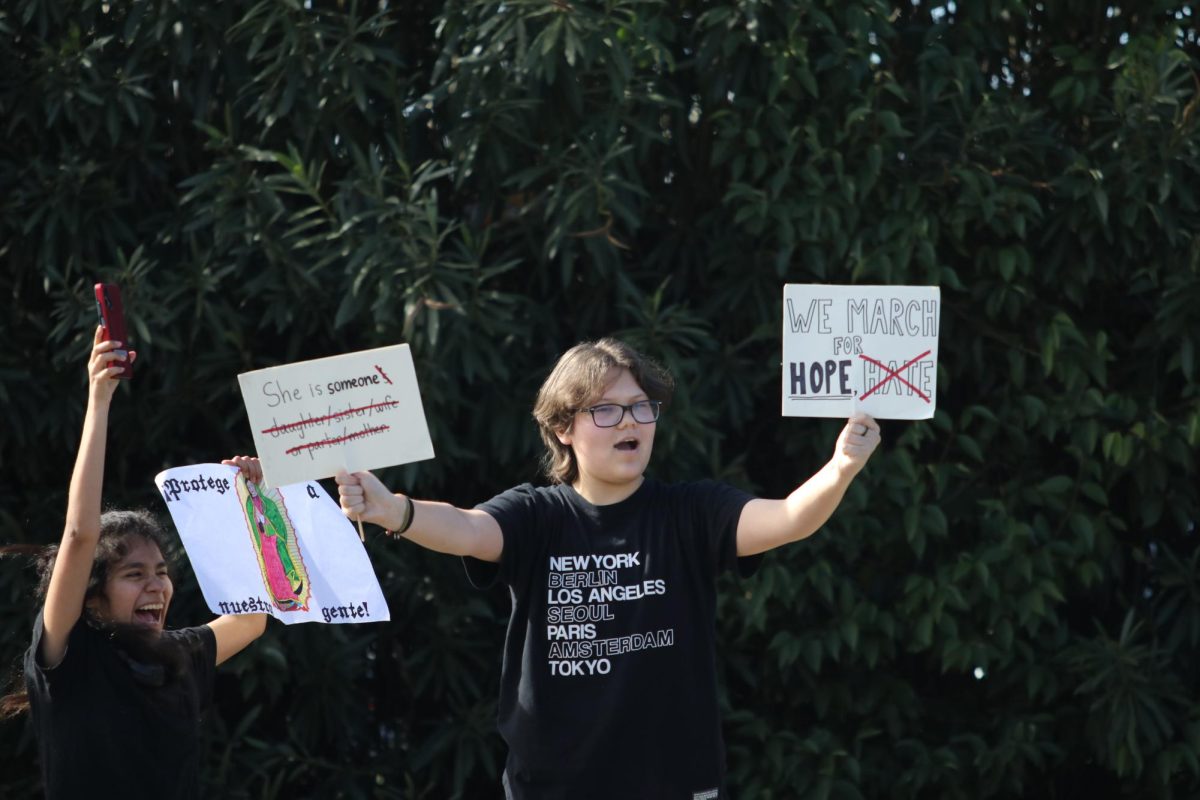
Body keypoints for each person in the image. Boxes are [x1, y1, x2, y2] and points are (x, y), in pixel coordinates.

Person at [336, 338, 882, 800]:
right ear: (562, 429)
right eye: (606, 409)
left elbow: (789, 518)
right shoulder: (535, 514)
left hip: (675, 782)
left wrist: (842, 468)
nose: (630, 421)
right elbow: (468, 528)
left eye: (641, 406)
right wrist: (394, 511)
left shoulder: (691, 512)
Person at [0, 327, 269, 800]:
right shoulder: (68, 658)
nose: (157, 586)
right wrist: (99, 397)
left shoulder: (179, 657)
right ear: (91, 595)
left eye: (162, 572)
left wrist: (252, 505)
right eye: (134, 574)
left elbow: (252, 617)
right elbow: (81, 536)